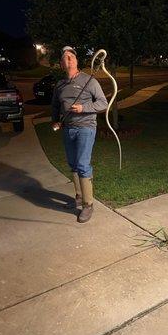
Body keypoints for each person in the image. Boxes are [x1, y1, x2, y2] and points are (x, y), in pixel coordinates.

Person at [52, 46, 108, 223]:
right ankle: (77, 196)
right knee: (73, 164)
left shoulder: (88, 80)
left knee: (83, 164)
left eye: (71, 57)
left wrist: (84, 108)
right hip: (68, 128)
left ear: (76, 61)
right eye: (65, 58)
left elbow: (102, 103)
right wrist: (55, 120)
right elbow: (55, 106)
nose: (68, 59)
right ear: (61, 64)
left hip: (86, 127)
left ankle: (88, 205)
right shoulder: (60, 85)